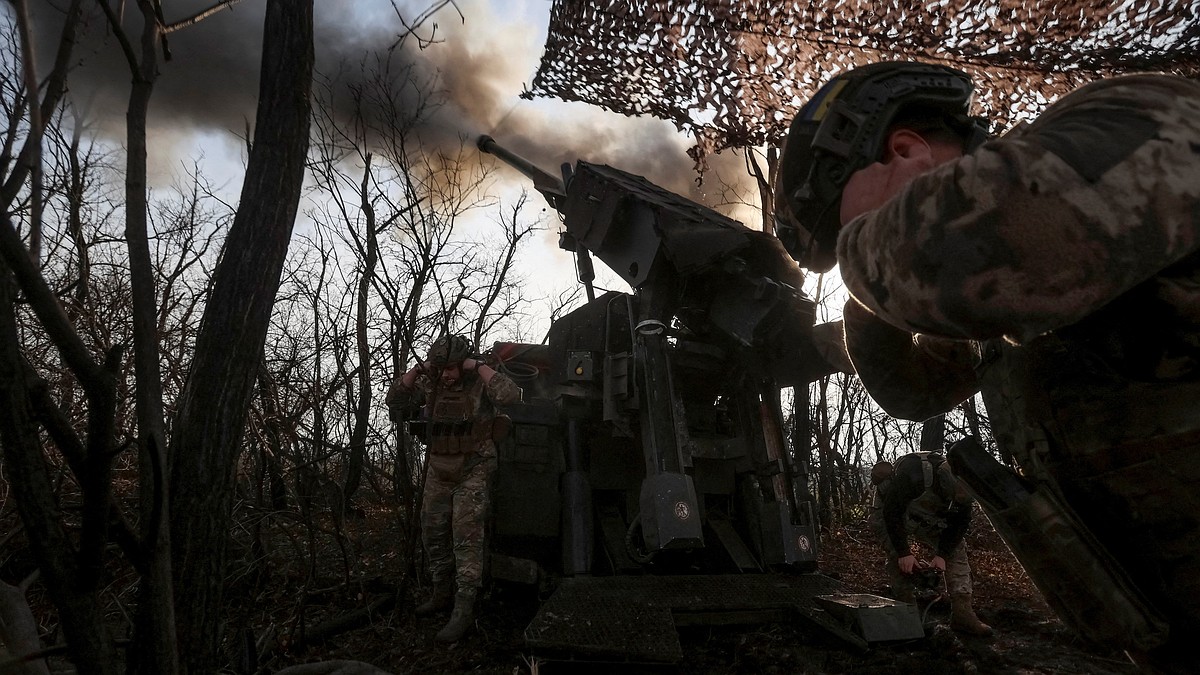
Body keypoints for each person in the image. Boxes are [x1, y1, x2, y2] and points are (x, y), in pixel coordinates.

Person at [775, 61, 1200, 671]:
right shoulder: (999, 296)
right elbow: (913, 392)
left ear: (905, 149)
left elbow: (986, 244)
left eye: (857, 230)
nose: (860, 254)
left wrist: (864, 251)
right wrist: (866, 305)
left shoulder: (1130, 112)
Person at [386, 334, 522, 643]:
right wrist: (417, 371)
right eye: (441, 368)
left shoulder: (479, 382)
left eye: (452, 368)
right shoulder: (432, 383)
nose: (446, 375)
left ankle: (464, 606)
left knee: (466, 538)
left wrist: (479, 367)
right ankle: (441, 592)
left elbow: (511, 395)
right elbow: (395, 401)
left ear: (463, 365)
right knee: (432, 531)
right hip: (439, 469)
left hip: (473, 468)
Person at [868, 452, 991, 636]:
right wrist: (904, 552)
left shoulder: (964, 485)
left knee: (956, 550)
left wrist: (942, 554)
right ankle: (907, 614)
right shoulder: (913, 473)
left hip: (929, 518)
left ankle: (962, 613)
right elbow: (891, 513)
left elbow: (959, 524)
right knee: (898, 559)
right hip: (890, 514)